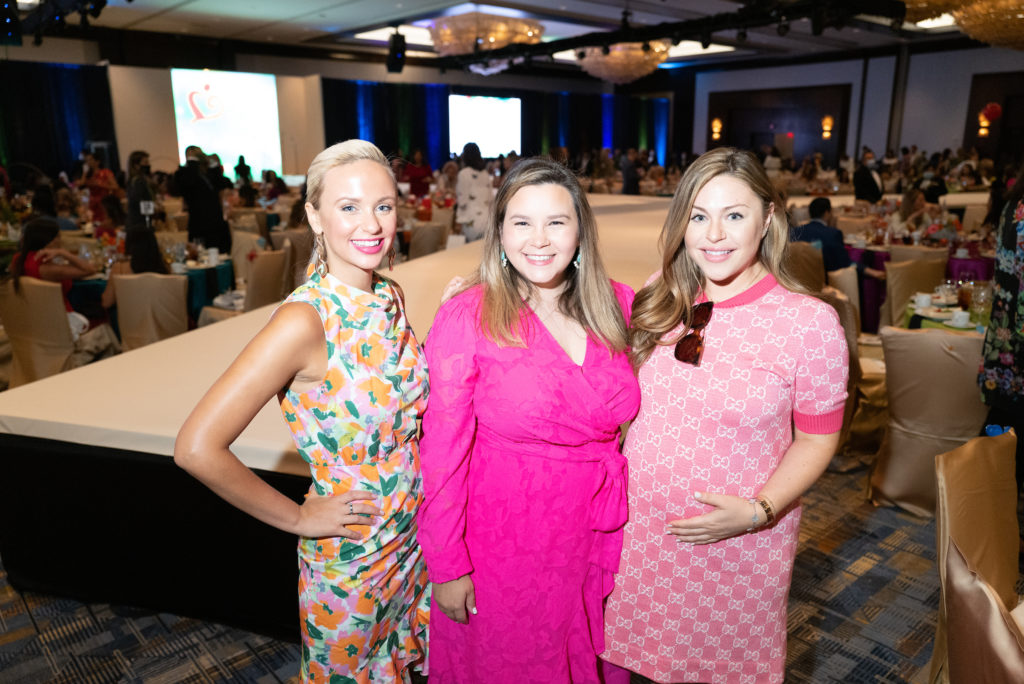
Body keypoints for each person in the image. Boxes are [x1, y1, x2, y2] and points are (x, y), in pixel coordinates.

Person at [174, 140, 429, 682]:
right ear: (314, 215)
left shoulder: (389, 294)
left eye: (384, 205)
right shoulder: (303, 321)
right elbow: (196, 447)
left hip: (412, 540)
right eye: (349, 207)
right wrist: (297, 517)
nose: (372, 224)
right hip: (352, 558)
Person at [602, 147, 848, 684]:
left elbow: (816, 439)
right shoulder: (660, 296)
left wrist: (762, 510)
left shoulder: (809, 324)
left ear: (768, 219)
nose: (714, 234)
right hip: (636, 538)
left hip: (736, 547)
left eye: (734, 215)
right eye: (698, 216)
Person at [419, 158, 641, 682]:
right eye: (521, 222)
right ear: (499, 232)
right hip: (505, 543)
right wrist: (448, 564)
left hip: (597, 529)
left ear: (581, 229)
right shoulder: (467, 315)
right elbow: (442, 451)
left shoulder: (618, 305)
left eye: (556, 222)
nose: (539, 240)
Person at [978, 166, 1024, 492]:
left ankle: (986, 515)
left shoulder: (1013, 205)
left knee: (1002, 429)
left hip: (1005, 342)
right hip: (1018, 344)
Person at [791, 197, 885, 279]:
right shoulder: (832, 234)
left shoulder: (795, 232)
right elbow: (845, 264)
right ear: (827, 213)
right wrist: (870, 271)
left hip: (798, 281)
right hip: (825, 282)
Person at [171, 145, 231, 253]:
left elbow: (222, 184)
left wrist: (213, 164)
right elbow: (183, 187)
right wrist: (192, 163)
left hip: (216, 221)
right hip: (198, 223)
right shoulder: (184, 173)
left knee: (220, 253)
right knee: (200, 253)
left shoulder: (208, 173)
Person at [101, 229, 170, 309]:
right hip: (162, 319)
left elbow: (106, 302)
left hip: (129, 320)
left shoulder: (120, 269)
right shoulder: (164, 267)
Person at [455, 142, 493, 242]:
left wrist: (458, 221)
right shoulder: (485, 174)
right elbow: (490, 199)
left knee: (470, 254)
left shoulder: (463, 174)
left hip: (470, 220)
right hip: (487, 220)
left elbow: (462, 201)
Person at [124, 150, 155, 232]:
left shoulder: (133, 180)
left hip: (136, 222)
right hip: (140, 223)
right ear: (136, 165)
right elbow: (140, 201)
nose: (148, 165)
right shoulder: (138, 181)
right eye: (145, 162)